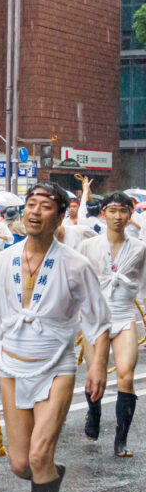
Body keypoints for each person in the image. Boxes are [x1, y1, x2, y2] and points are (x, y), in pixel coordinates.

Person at [0, 181, 110, 492]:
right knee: (21, 465)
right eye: (30, 204)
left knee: (38, 453)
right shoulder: (2, 262)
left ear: (60, 215)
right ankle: (49, 474)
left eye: (45, 207)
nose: (34, 212)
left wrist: (97, 363)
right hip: (12, 367)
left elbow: (98, 321)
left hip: (57, 366)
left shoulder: (76, 264)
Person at [77, 192, 146, 457]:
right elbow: (77, 279)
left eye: (123, 211)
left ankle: (121, 439)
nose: (118, 217)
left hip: (124, 314)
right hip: (95, 318)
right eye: (113, 211)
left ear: (131, 215)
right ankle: (93, 415)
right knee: (97, 378)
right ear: (103, 213)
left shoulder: (140, 248)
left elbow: (144, 284)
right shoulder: (89, 245)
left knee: (126, 375)